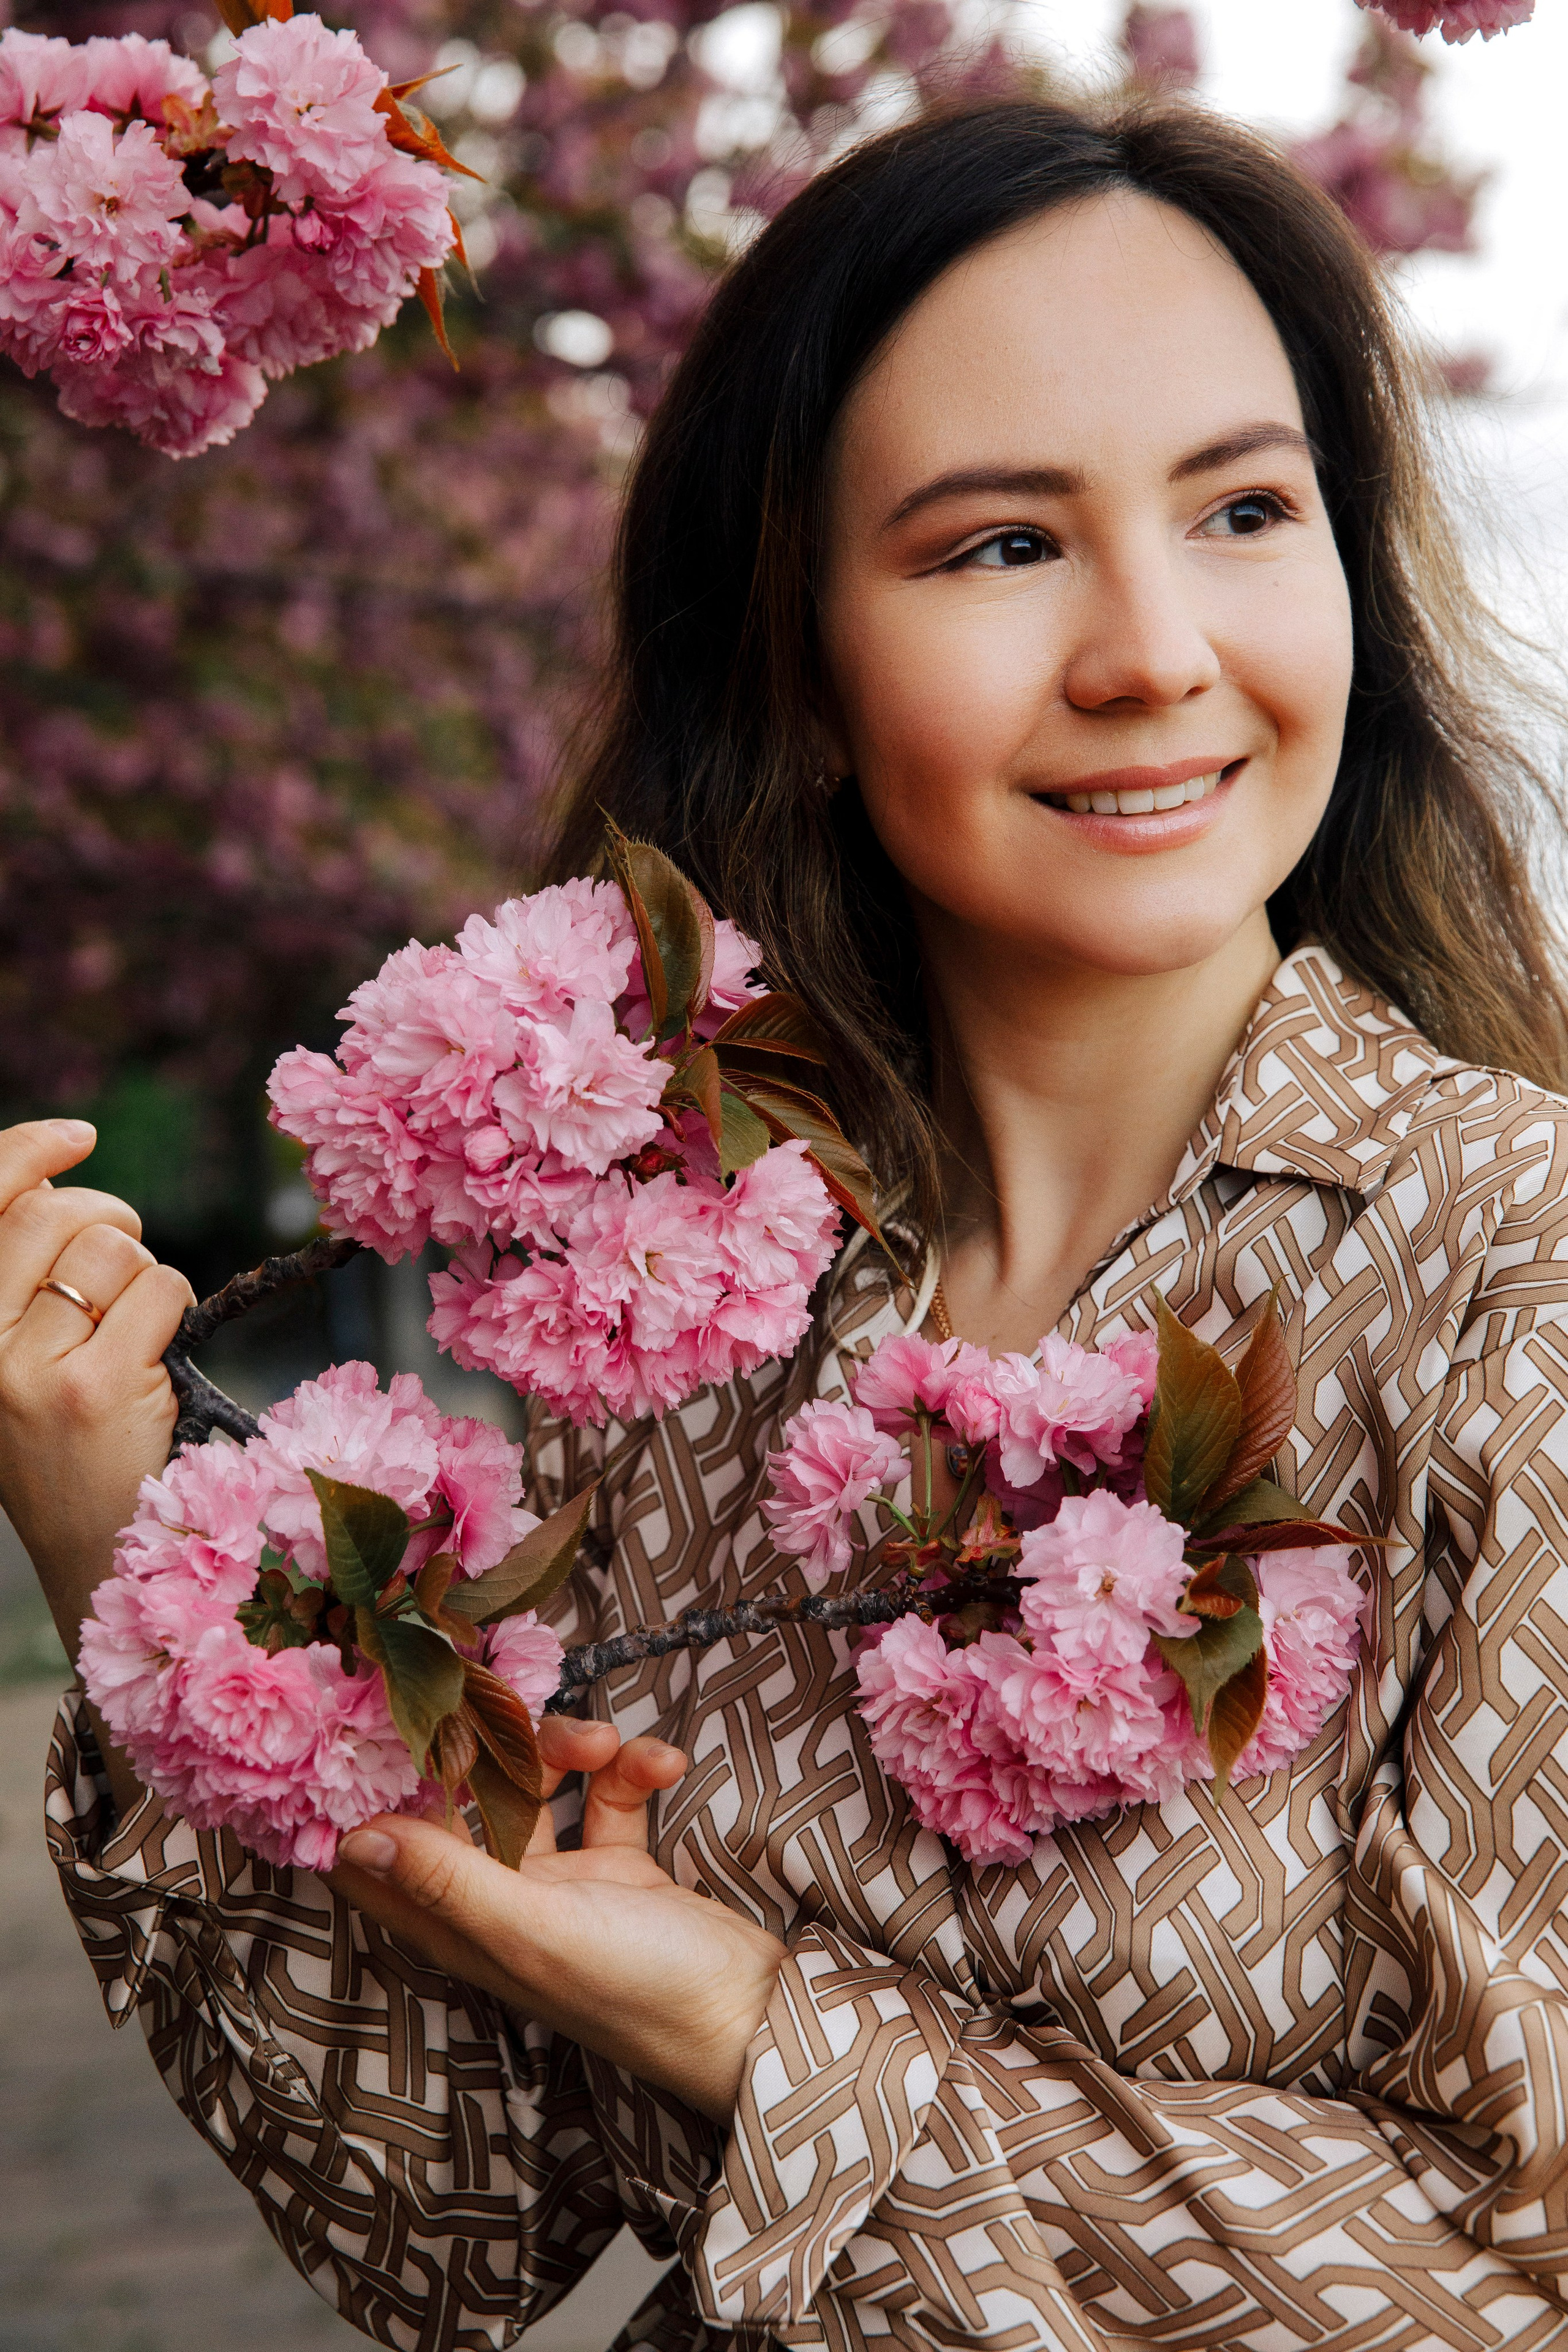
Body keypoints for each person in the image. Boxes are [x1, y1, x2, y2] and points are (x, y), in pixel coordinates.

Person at [6, 92, 1568, 2351]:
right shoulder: (696, 1295)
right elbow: (447, 2232)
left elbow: (1521, 2260)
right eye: (996, 548)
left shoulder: (1506, 1270)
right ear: (804, 672)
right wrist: (121, 1560)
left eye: (1244, 507)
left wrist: (766, 2031)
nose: (1153, 650)